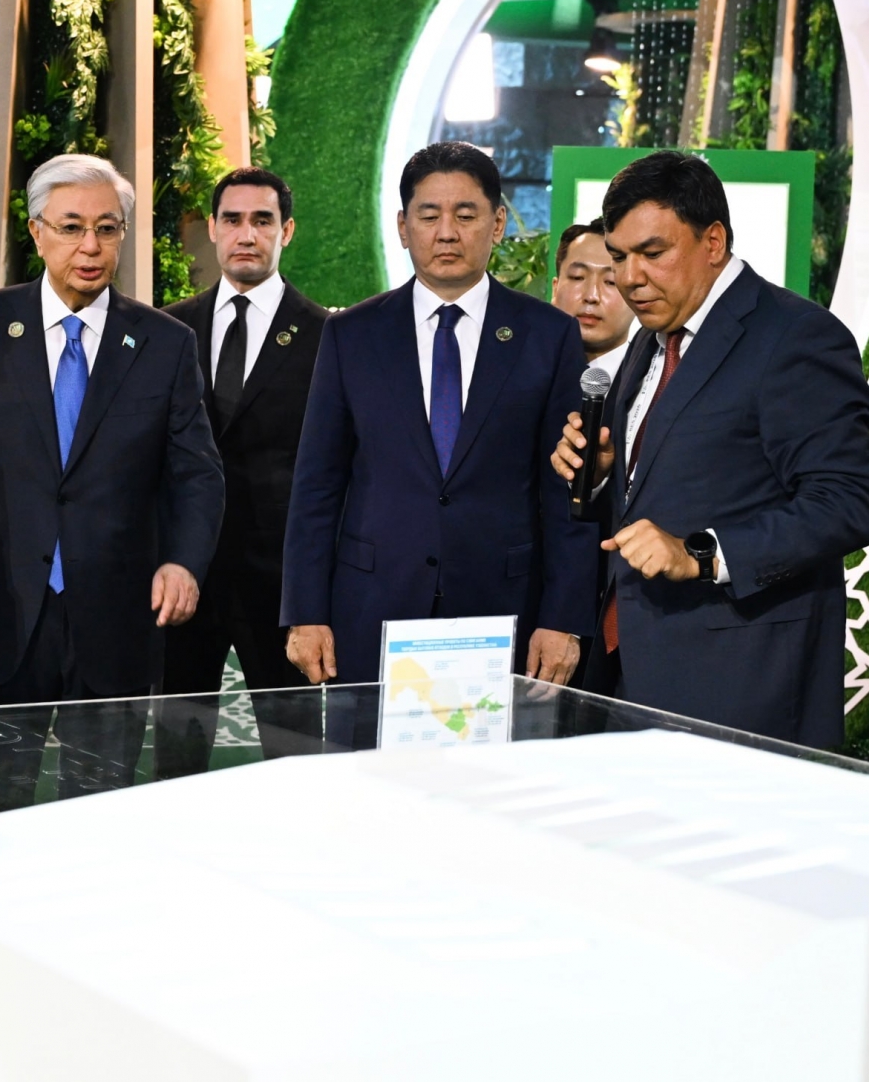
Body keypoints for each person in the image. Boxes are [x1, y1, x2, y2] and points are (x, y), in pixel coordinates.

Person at [550, 150, 869, 746]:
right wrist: (603, 473)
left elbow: (848, 503)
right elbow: (661, 484)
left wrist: (701, 554)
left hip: (743, 690)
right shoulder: (653, 337)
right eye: (619, 256)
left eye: (653, 253)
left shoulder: (797, 337)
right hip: (632, 670)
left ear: (713, 242)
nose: (630, 277)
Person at [281, 141, 600, 747]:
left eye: (466, 214)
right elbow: (317, 483)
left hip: (504, 612)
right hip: (371, 609)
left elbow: (567, 492)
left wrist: (564, 618)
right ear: (403, 227)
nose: (446, 232)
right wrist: (305, 611)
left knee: (494, 789)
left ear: (497, 223)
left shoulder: (547, 335)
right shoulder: (351, 334)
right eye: (429, 215)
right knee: (371, 784)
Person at [0, 153, 223, 801]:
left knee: (101, 811)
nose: (90, 246)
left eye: (107, 228)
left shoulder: (165, 342)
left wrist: (184, 561)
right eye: (71, 228)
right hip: (2, 612)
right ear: (36, 232)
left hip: (117, 619)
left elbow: (197, 472)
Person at [156, 167, 328, 776]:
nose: (246, 234)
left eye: (262, 220)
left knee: (295, 760)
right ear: (212, 228)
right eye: (232, 220)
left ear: (288, 230)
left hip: (281, 588)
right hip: (185, 580)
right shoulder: (168, 329)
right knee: (176, 762)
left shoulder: (327, 335)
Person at [551, 217, 635, 380]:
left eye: (610, 281)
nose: (591, 296)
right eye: (577, 277)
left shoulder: (654, 381)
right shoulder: (519, 371)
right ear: (555, 288)